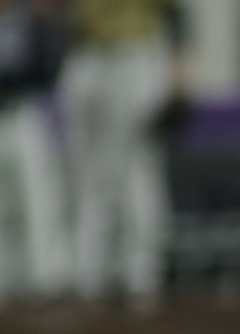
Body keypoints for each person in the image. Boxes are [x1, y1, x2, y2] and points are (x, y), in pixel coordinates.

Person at [59, 0, 185, 311]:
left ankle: (141, 274)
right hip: (87, 55)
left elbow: (178, 13)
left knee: (136, 169)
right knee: (86, 172)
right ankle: (87, 274)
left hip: (134, 54)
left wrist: (181, 72)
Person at [0, 0, 70, 309]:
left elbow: (45, 68)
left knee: (35, 202)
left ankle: (42, 284)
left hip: (19, 117)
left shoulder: (25, 19)